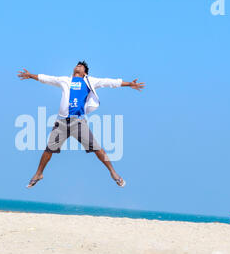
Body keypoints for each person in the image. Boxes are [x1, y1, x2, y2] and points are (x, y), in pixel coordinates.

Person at [17, 61, 145, 188]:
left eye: (81, 66)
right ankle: (39, 174)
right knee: (48, 150)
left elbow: (109, 82)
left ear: (85, 72)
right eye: (77, 65)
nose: (78, 66)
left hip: (78, 122)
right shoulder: (65, 80)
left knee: (97, 148)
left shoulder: (89, 81)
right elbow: (47, 78)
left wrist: (129, 84)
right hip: (61, 122)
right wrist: (31, 75)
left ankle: (113, 172)